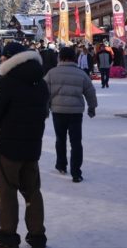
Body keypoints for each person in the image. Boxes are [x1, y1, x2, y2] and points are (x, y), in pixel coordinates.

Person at [0, 42, 49, 248]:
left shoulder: (7, 82)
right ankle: (37, 235)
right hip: (32, 145)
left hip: (8, 146)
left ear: (10, 59)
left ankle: (7, 236)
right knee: (33, 191)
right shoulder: (41, 82)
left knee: (7, 191)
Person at [44, 47, 97, 183]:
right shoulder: (80, 73)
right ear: (74, 57)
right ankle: (76, 172)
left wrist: (45, 109)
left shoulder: (51, 73)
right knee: (76, 142)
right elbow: (90, 91)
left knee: (60, 139)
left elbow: (44, 93)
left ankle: (61, 165)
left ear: (60, 57)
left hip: (58, 111)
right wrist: (92, 107)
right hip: (75, 113)